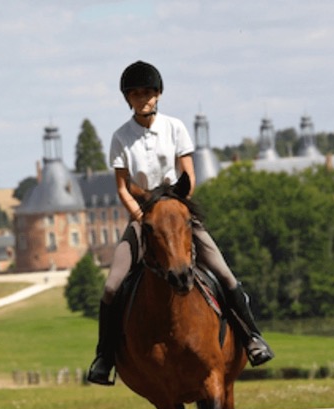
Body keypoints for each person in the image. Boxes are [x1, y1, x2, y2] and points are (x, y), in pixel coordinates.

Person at [87, 60, 274, 386]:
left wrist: (175, 211)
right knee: (112, 286)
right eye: (135, 93)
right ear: (127, 98)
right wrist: (142, 217)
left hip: (177, 215)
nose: (142, 98)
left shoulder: (175, 128)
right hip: (143, 218)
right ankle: (104, 357)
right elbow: (121, 186)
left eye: (147, 92)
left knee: (225, 273)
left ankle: (252, 338)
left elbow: (189, 175)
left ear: (158, 94)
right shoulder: (120, 137)